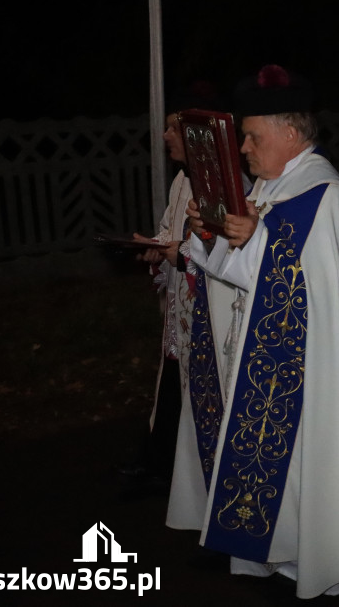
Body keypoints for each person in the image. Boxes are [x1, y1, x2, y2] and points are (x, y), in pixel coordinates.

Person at [185, 65, 339, 599]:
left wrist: (254, 240)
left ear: (289, 132)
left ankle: (319, 559)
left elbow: (309, 288)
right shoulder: (272, 186)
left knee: (310, 464)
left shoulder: (323, 193)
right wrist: (212, 236)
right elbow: (248, 272)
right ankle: (277, 555)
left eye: (252, 136)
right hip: (270, 359)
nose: (242, 148)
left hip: (310, 368)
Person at [119, 107, 199, 492]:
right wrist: (155, 250)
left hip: (203, 313)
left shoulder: (225, 185)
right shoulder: (182, 180)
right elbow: (171, 232)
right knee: (169, 385)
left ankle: (178, 472)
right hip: (179, 309)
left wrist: (176, 251)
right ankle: (158, 462)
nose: (165, 136)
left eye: (172, 129)